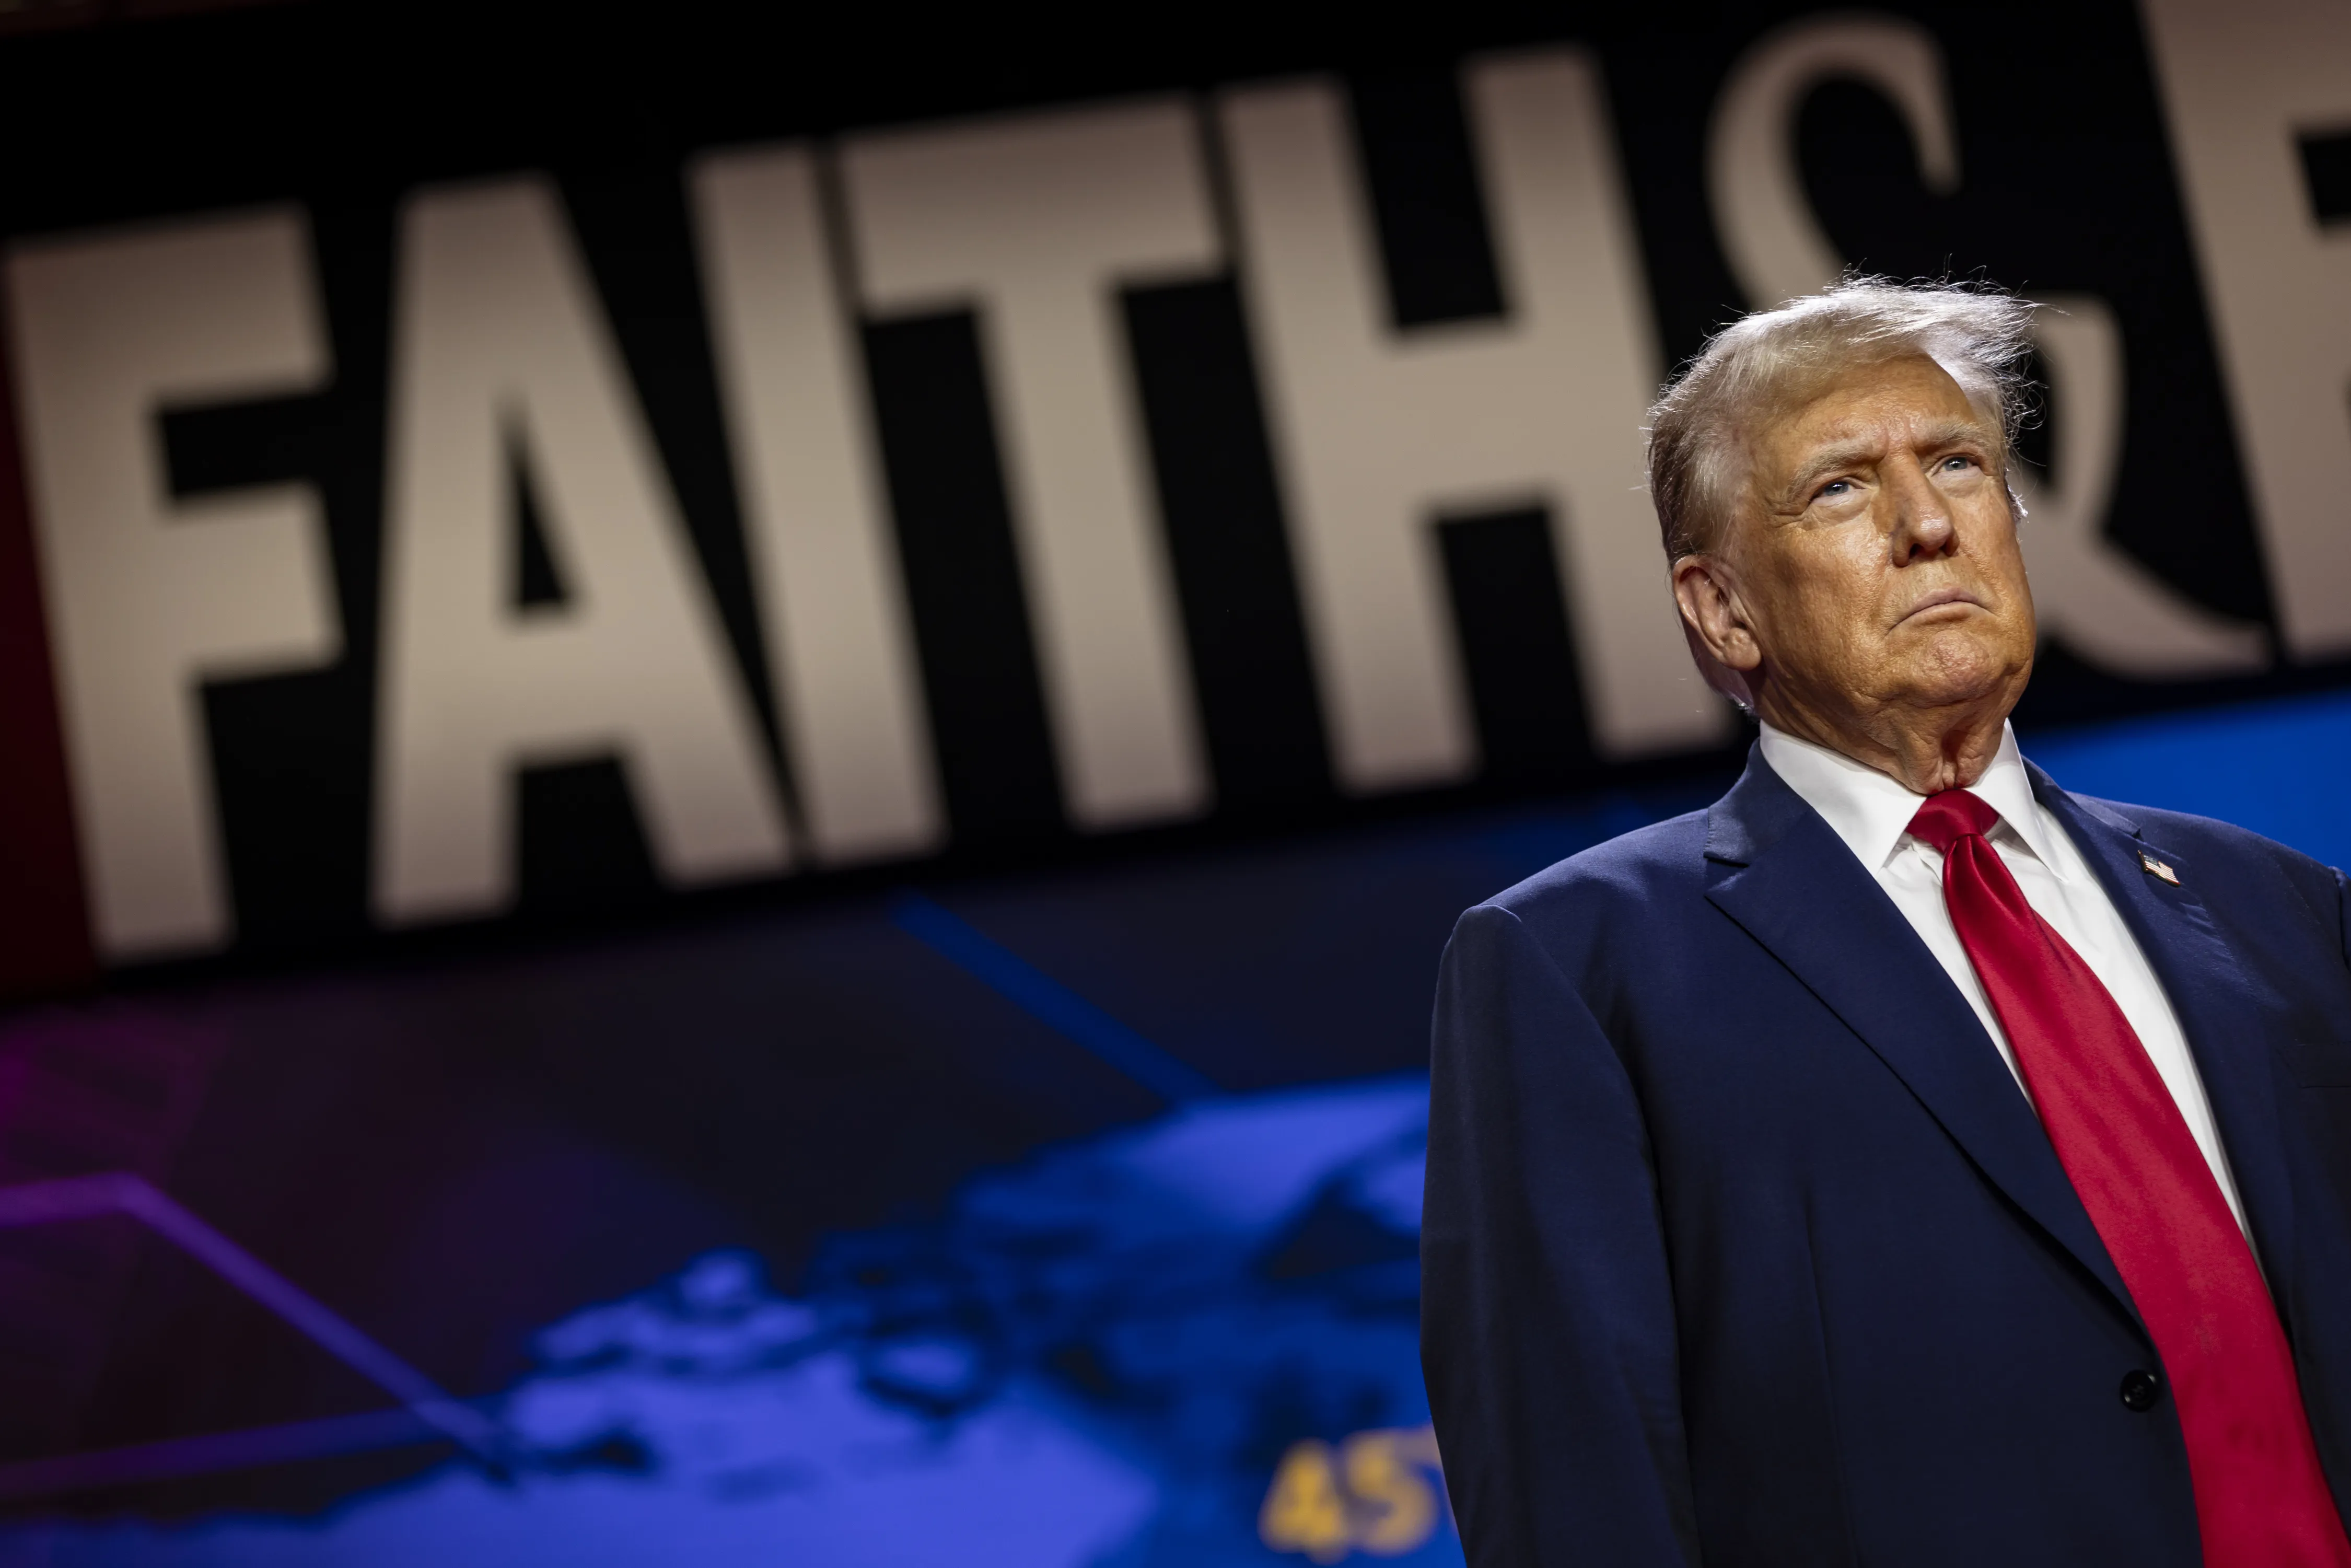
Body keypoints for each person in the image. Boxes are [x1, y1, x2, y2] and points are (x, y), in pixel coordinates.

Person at [1421, 280, 2351, 1568]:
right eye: (1842, 490)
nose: (1927, 524)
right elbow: (1575, 1484)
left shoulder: (2280, 907)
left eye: (1959, 464)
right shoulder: (1582, 968)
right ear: (1723, 610)